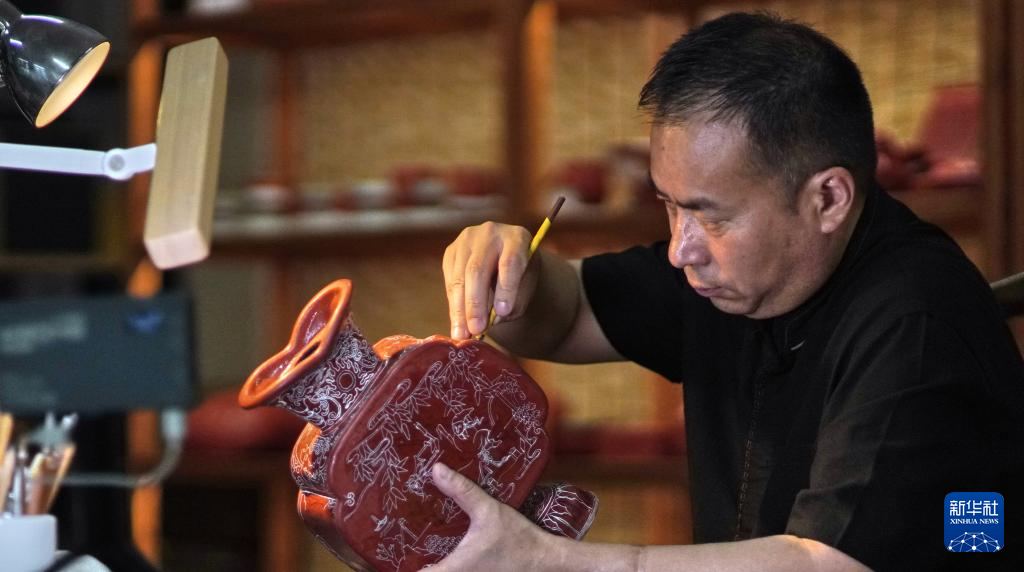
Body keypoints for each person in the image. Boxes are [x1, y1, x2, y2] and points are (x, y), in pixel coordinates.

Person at [430, 12, 1024, 572]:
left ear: (828, 199)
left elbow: (827, 563)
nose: (679, 249)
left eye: (710, 216)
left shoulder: (918, 323)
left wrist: (551, 560)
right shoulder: (729, 272)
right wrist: (512, 273)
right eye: (670, 206)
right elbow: (566, 317)